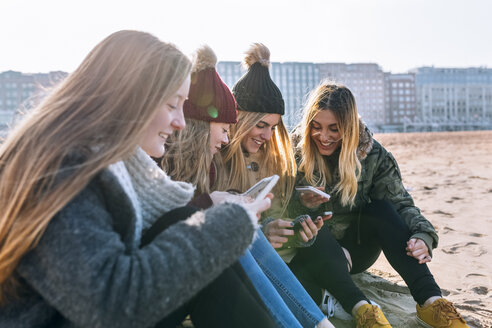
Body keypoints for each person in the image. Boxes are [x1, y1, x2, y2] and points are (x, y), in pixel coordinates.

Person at [0, 30, 276, 328]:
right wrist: (227, 224)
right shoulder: (62, 170)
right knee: (199, 226)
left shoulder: (90, 161)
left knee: (184, 220)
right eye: (173, 105)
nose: (181, 122)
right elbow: (110, 305)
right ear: (130, 98)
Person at [162, 45, 332, 328]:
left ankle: (320, 324)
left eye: (273, 128)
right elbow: (171, 221)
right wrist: (216, 205)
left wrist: (296, 215)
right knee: (232, 229)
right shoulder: (204, 161)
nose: (267, 136)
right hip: (182, 277)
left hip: (238, 264)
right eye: (261, 125)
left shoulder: (269, 160)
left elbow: (275, 223)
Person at [287, 80, 470, 328]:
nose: (324, 136)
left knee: (382, 209)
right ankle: (363, 310)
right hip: (315, 250)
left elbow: (401, 203)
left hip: (359, 249)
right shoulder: (293, 153)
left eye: (334, 129)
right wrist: (303, 204)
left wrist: (423, 235)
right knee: (311, 227)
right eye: (316, 127)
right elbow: (280, 212)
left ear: (349, 128)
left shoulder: (373, 155)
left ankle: (432, 303)